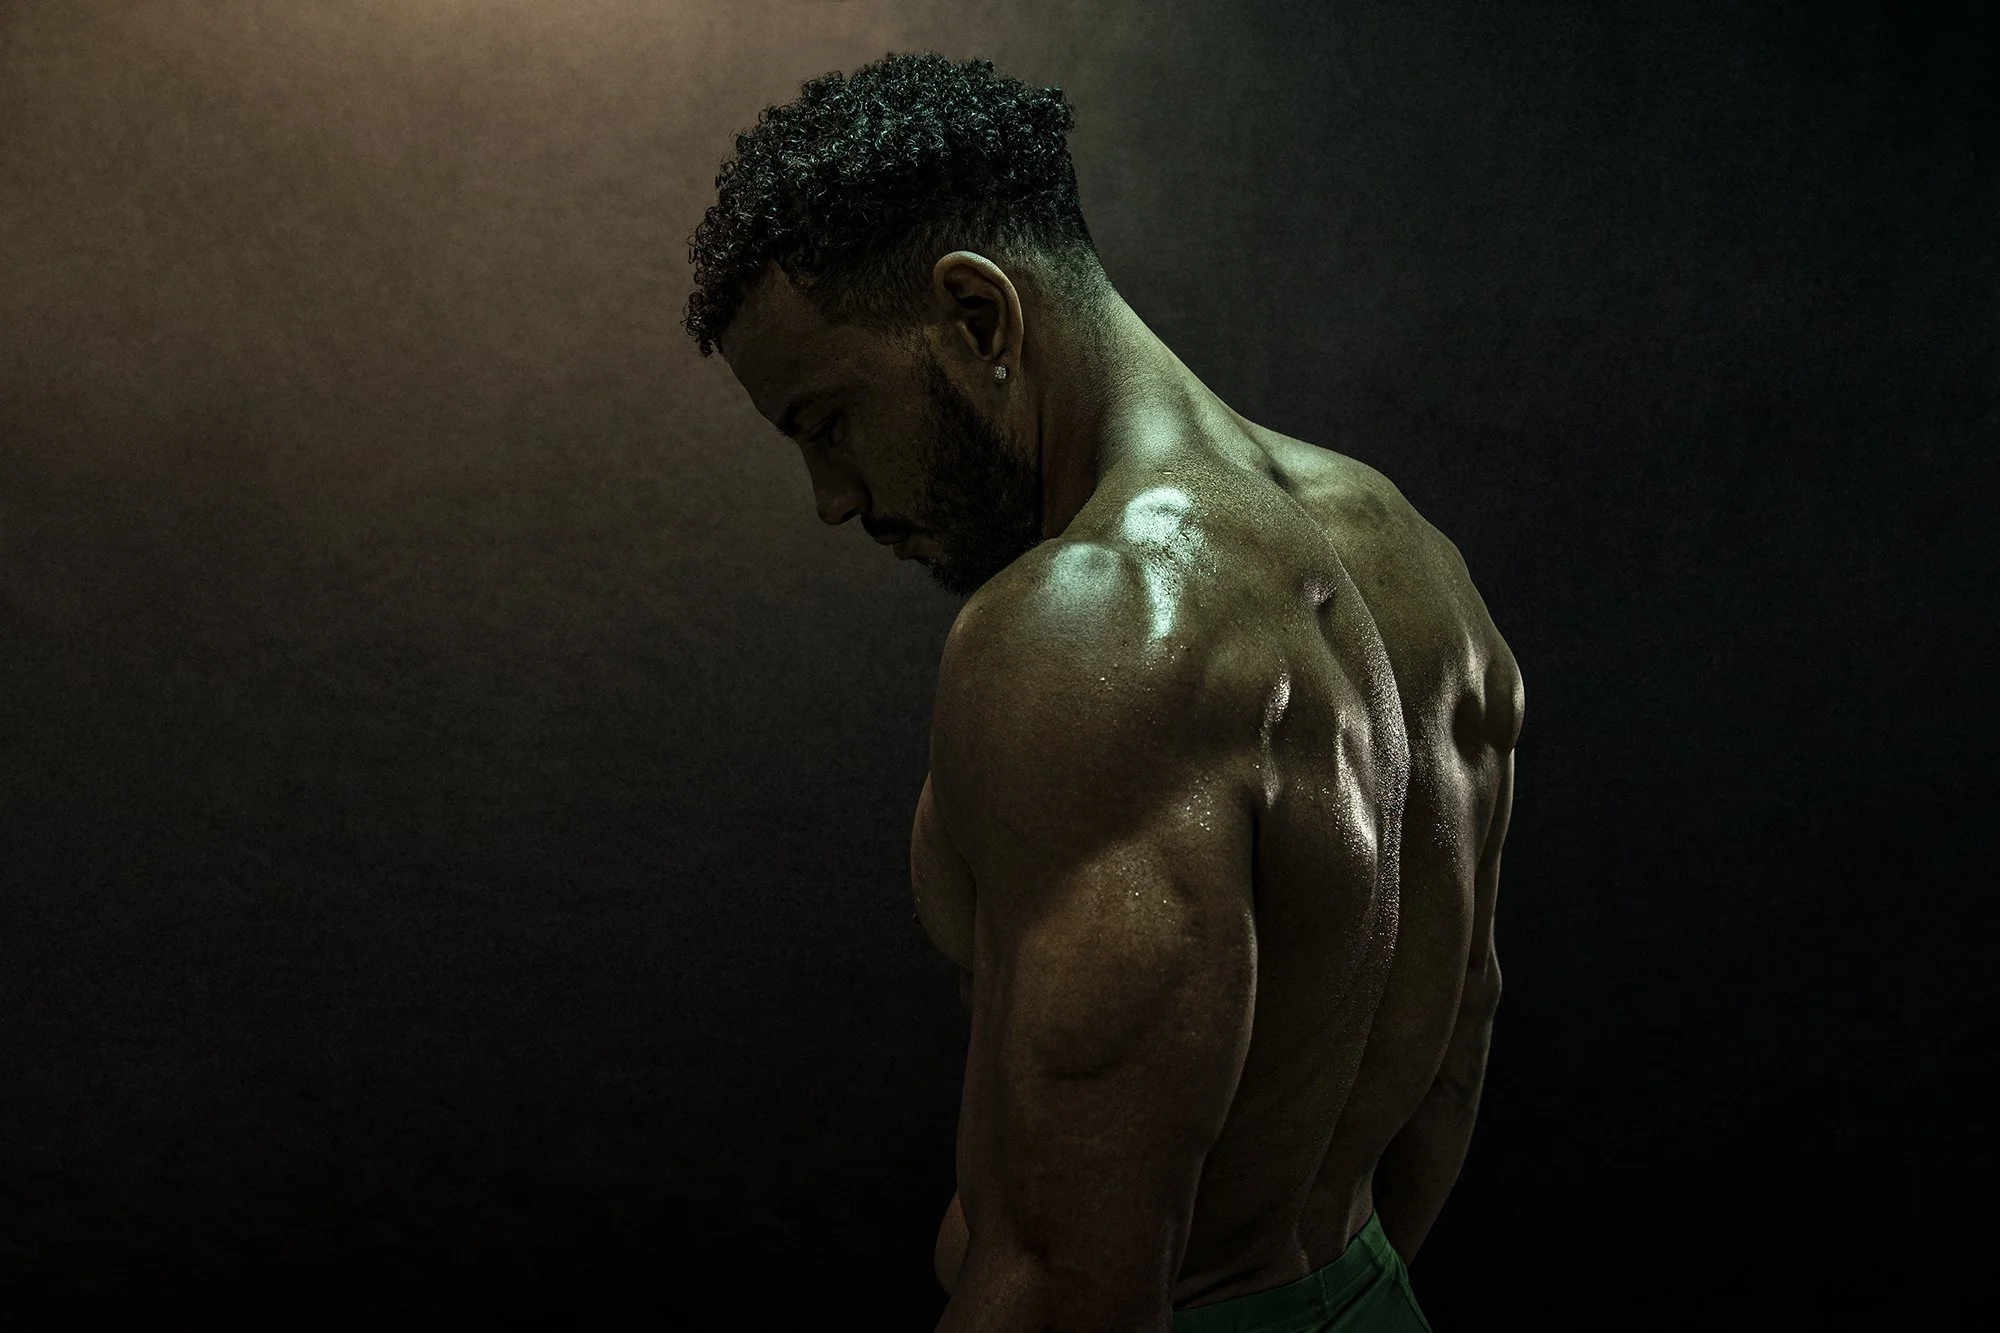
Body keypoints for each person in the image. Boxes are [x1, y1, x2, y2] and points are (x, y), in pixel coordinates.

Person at [684, 53, 1522, 1333]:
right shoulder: (1411, 559)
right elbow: (1450, 1051)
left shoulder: (1093, 624)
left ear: (978, 316)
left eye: (828, 419)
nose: (831, 497)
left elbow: (1064, 1276)